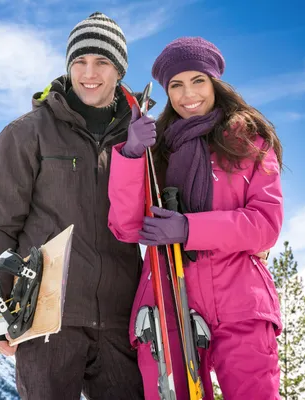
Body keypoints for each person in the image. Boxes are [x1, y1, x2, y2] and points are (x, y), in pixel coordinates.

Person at [0, 12, 146, 400]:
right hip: (47, 319)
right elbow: (0, 226)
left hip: (122, 319)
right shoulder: (26, 133)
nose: (90, 72)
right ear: (68, 66)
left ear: (119, 70)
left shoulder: (139, 136)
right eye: (80, 61)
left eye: (102, 61)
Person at [107, 36, 284, 399]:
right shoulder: (159, 148)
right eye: (176, 85)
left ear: (214, 82)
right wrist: (132, 153)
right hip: (168, 296)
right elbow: (126, 227)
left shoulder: (250, 141)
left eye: (197, 81)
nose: (188, 94)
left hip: (240, 301)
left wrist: (190, 228)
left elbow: (265, 225)